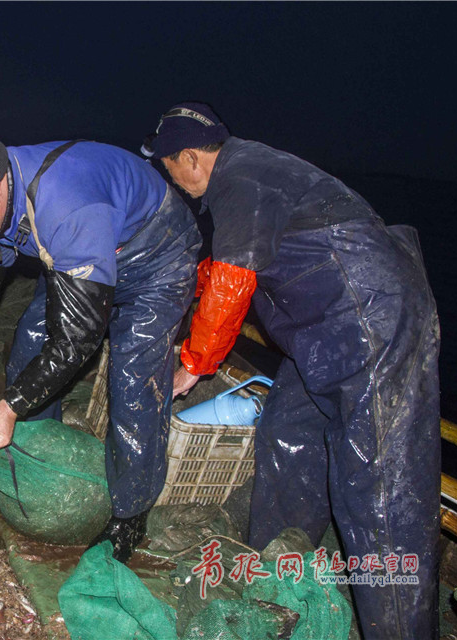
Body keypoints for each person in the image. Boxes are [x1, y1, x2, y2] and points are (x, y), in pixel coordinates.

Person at [150, 102, 441, 639]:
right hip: (322, 336)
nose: (169, 176)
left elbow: (233, 284)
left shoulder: (239, 178)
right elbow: (222, 268)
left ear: (189, 157)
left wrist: (192, 364)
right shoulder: (252, 176)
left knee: (377, 491)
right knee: (286, 431)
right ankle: (277, 578)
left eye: (167, 165)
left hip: (370, 325)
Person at [0, 123, 201, 562]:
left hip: (157, 257)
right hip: (85, 251)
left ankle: (129, 516)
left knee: (134, 378)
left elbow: (78, 338)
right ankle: (44, 450)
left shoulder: (64, 206)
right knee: (31, 336)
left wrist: (8, 407)